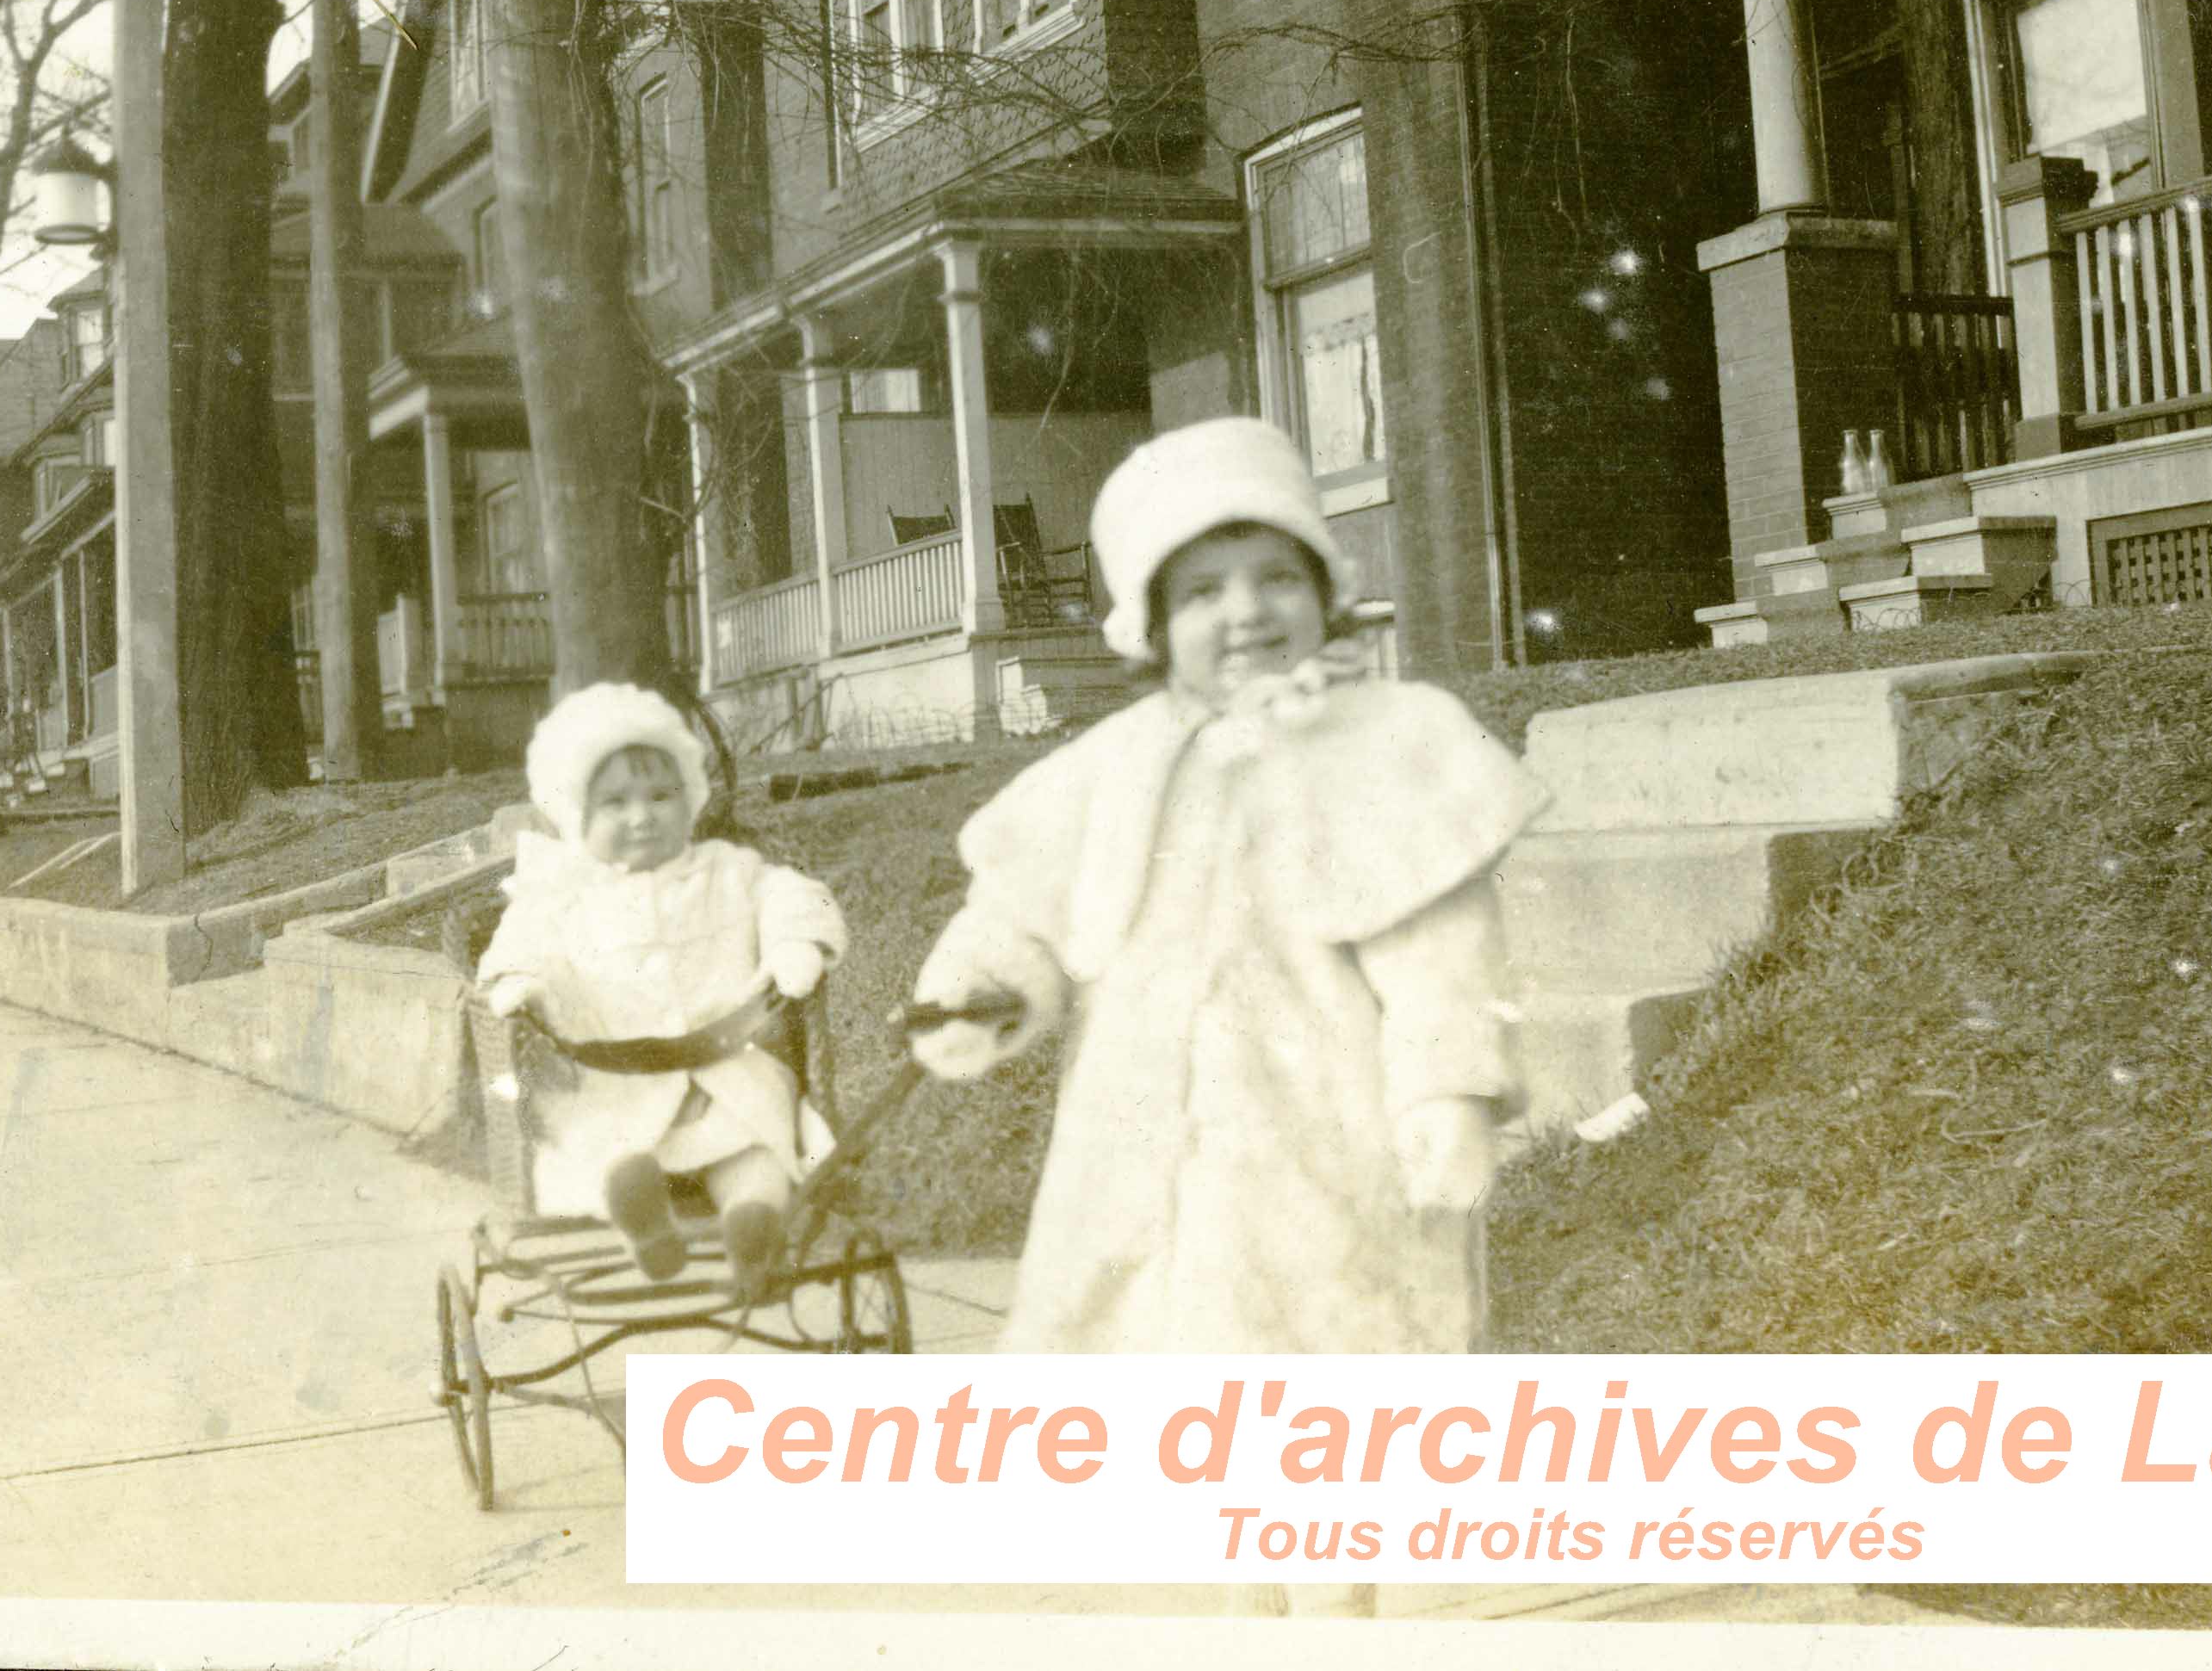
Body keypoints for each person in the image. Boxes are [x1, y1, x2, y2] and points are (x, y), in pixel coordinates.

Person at [907, 417, 1548, 1618]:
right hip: (1150, 1143)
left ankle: (1340, 1609)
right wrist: (983, 989)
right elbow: (1026, 913)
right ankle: (1248, 1610)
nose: (1243, 610)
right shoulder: (1111, 764)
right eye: (1201, 590)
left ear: (1326, 590)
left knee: (1326, 1385)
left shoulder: (1384, 747)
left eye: (1273, 577)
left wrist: (1447, 1090)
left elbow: (1440, 951)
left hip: (1324, 1139)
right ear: (1149, 625)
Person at [477, 683, 845, 1302]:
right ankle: (643, 1216)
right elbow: (524, 941)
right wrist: (519, 981)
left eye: (660, 796)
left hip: (729, 1071)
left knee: (759, 1147)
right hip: (617, 1083)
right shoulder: (566, 896)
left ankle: (750, 1227)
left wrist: (793, 947)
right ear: (577, 817)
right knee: (603, 1149)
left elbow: (790, 895)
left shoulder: (730, 871)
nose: (642, 815)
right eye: (616, 803)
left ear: (691, 800)